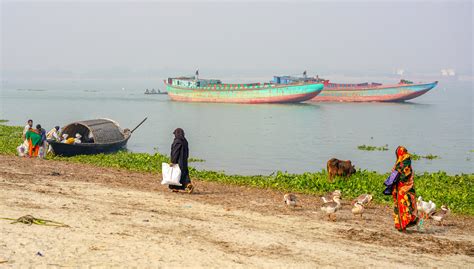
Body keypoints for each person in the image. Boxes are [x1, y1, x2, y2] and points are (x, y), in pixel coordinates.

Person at [392, 146, 418, 232]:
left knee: (405, 206)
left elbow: (404, 176)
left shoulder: (405, 163)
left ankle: (403, 226)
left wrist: (396, 179)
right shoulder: (402, 162)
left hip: (404, 189)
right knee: (402, 207)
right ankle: (401, 226)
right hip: (400, 189)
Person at [169, 128, 194, 193]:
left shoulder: (177, 141)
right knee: (184, 173)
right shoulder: (185, 141)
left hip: (178, 161)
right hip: (184, 160)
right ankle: (188, 184)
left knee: (176, 174)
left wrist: (173, 161)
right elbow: (187, 151)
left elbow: (175, 152)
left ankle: (175, 188)